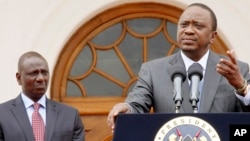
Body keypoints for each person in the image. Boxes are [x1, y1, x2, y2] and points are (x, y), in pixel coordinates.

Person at [107, 3, 250, 132]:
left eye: (198, 26)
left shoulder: (237, 71)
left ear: (213, 36)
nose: (188, 31)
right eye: (184, 25)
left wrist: (242, 88)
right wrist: (126, 109)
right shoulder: (153, 71)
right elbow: (137, 104)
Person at [0, 51, 85, 141]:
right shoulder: (2, 114)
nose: (41, 78)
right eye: (33, 73)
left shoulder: (70, 116)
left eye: (44, 73)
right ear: (19, 78)